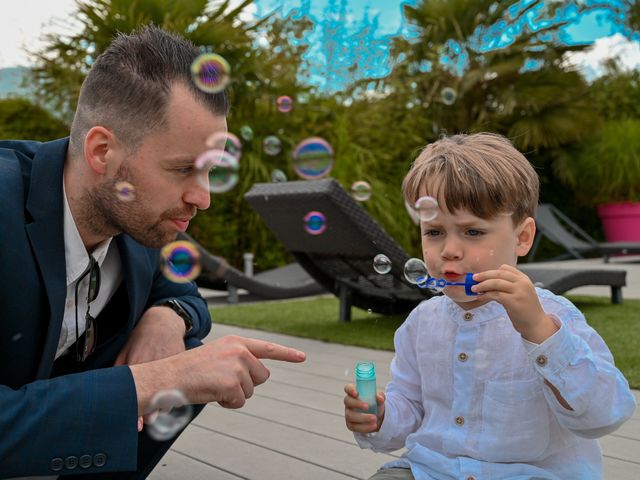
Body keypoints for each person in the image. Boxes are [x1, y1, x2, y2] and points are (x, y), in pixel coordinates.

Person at [0, 26, 306, 479]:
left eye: (209, 172)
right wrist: (158, 380)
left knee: (190, 349)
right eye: (184, 168)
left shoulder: (137, 222)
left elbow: (185, 293)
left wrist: (168, 317)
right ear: (102, 151)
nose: (203, 198)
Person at [343, 132, 637, 480]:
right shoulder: (422, 323)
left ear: (523, 237)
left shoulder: (554, 318)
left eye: (473, 232)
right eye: (434, 232)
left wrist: (540, 333)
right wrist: (380, 417)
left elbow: (604, 414)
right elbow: (410, 407)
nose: (449, 250)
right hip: (434, 469)